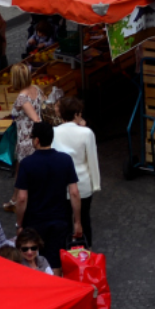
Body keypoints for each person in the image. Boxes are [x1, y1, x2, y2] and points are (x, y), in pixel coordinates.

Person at [14, 120, 81, 269]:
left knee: (33, 259)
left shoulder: (27, 163)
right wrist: (77, 221)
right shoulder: (65, 160)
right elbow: (75, 193)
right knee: (55, 260)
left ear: (36, 140)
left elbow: (22, 198)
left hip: (34, 221)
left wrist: (19, 224)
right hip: (59, 219)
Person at [52, 97, 100, 248]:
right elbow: (92, 159)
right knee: (84, 218)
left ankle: (65, 251)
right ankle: (86, 251)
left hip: (60, 184)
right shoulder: (86, 133)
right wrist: (96, 184)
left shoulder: (53, 132)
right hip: (83, 184)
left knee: (64, 219)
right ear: (77, 113)